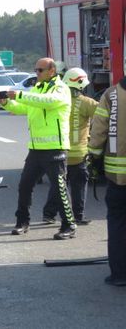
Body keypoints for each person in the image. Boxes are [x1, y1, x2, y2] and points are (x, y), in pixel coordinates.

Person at [0, 57, 76, 240]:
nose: (37, 73)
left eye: (40, 70)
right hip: (36, 148)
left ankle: (69, 225)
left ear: (52, 71)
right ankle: (22, 222)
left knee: (59, 189)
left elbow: (47, 102)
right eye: (35, 70)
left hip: (55, 148)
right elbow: (23, 108)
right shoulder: (36, 89)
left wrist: (17, 95)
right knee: (24, 185)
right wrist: (6, 103)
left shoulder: (61, 88)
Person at [42, 68, 98, 225]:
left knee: (59, 183)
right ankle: (78, 216)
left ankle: (49, 214)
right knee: (79, 184)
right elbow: (103, 118)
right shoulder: (87, 103)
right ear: (81, 84)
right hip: (79, 153)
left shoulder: (56, 100)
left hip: (57, 150)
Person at [87, 75, 126, 286]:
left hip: (118, 178)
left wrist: (93, 156)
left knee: (118, 224)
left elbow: (99, 130)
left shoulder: (111, 95)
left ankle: (120, 275)